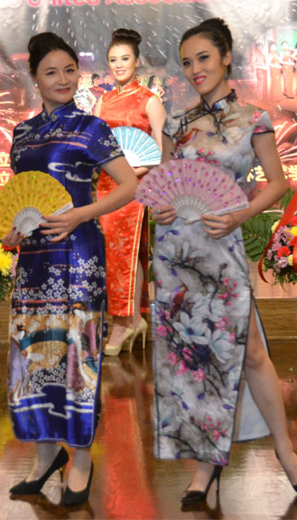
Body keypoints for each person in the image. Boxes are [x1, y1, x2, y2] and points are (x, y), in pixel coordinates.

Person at [151, 18, 297, 505]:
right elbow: (163, 184)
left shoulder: (254, 119)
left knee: (252, 353)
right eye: (187, 62)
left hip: (223, 246)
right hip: (178, 252)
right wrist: (162, 206)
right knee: (195, 357)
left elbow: (278, 183)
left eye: (203, 58)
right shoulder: (176, 124)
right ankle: (205, 467)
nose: (195, 69)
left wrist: (241, 213)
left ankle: (286, 450)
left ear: (226, 57)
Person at [2, 32, 137, 506]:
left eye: (69, 70)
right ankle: (45, 456)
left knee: (79, 355)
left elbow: (129, 186)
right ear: (35, 79)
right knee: (35, 355)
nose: (62, 79)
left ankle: (80, 457)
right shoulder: (21, 134)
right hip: (33, 260)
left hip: (79, 254)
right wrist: (12, 232)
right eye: (51, 72)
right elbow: (21, 198)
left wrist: (81, 214)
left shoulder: (92, 127)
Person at [93, 28, 166, 356]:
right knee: (110, 255)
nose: (119, 65)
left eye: (125, 58)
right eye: (113, 60)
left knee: (125, 252)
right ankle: (133, 319)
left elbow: (158, 152)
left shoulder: (150, 101)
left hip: (134, 186)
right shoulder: (102, 101)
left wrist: (128, 174)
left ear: (137, 62)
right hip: (104, 186)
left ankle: (122, 323)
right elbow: (94, 146)